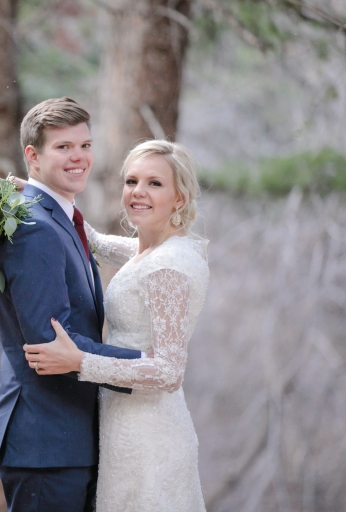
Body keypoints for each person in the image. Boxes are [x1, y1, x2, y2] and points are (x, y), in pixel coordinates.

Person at [22, 139, 209, 511]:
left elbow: (170, 372)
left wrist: (79, 362)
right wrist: (32, 189)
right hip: (122, 422)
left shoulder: (168, 265)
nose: (138, 193)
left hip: (148, 433)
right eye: (131, 181)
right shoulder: (150, 250)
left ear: (180, 199)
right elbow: (92, 241)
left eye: (155, 184)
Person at [0, 97, 145, 512]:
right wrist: (142, 366)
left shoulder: (59, 219)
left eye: (85, 146)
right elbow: (51, 343)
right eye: (64, 147)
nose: (79, 158)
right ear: (32, 156)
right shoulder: (35, 228)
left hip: (65, 441)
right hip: (45, 445)